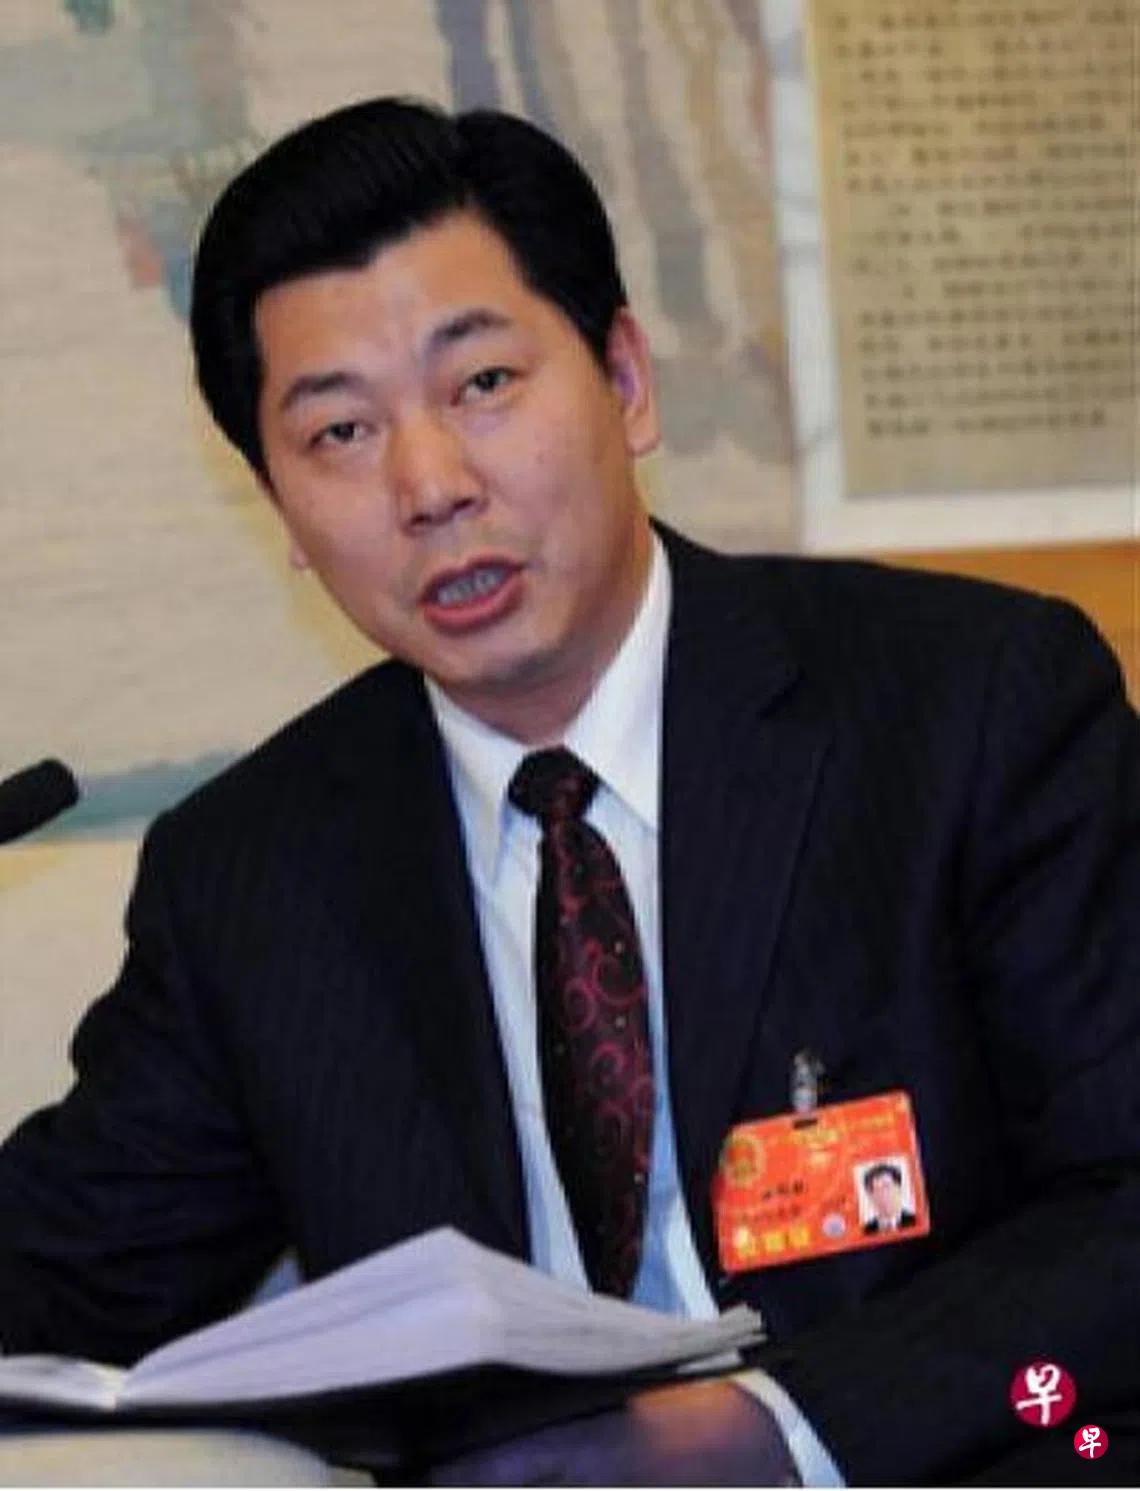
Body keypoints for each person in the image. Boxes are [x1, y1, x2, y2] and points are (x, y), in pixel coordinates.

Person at [1, 96, 1138, 1486]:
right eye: (340, 431)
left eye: (483, 382)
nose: (429, 485)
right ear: (278, 505)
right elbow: (59, 1274)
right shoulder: (252, 875)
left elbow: (1123, 1204)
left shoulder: (972, 706)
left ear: (626, 381)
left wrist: (768, 1432)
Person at [860, 1163, 916, 1235]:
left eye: (886, 1187)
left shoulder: (915, 1221)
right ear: (870, 1197)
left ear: (899, 1189)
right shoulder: (866, 1231)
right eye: (876, 1190)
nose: (882, 1194)